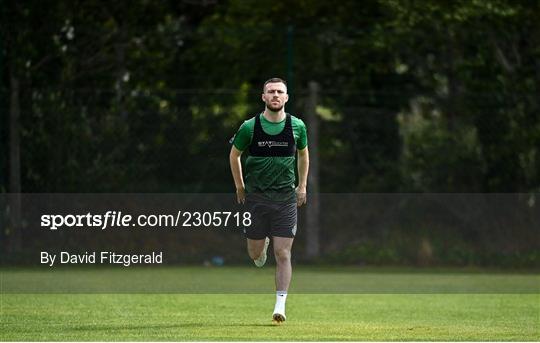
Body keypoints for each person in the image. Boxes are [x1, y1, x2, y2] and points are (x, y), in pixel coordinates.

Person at [229, 77, 309, 323]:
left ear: (286, 98)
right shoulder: (249, 127)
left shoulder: (297, 126)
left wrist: (302, 186)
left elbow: (304, 156)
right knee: (255, 255)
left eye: (280, 92)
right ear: (263, 97)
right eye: (271, 91)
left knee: (283, 253)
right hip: (256, 199)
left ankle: (280, 305)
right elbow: (234, 156)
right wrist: (240, 187)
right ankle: (259, 245)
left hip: (285, 199)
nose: (275, 95)